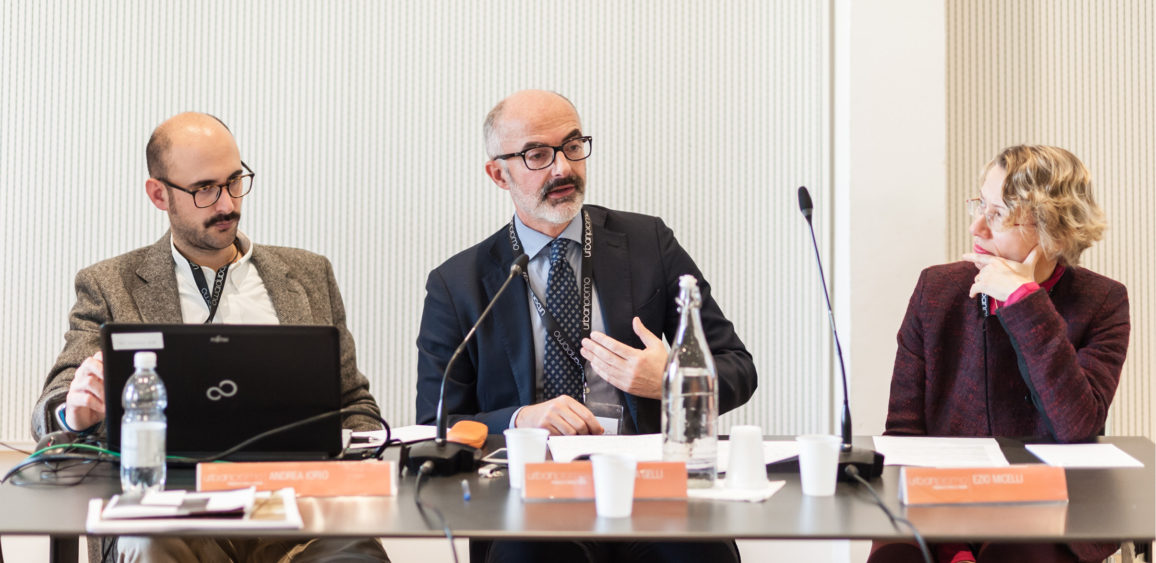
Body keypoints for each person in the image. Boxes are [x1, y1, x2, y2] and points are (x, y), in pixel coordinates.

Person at [30, 112, 390, 563]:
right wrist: (74, 412)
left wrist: (362, 458)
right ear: (159, 194)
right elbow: (54, 407)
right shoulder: (110, 285)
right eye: (204, 189)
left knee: (356, 553)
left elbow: (353, 402)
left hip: (297, 514)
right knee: (146, 544)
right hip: (171, 513)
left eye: (234, 181)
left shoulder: (308, 274)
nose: (227, 204)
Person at [415, 89, 757, 563]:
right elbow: (435, 426)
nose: (563, 168)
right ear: (498, 174)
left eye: (573, 146)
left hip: (648, 489)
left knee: (697, 554)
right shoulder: (458, 284)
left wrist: (670, 381)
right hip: (529, 498)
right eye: (538, 155)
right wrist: (520, 420)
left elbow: (738, 367)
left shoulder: (648, 243)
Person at [876, 145, 1129, 563]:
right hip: (938, 500)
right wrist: (949, 537)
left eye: (998, 215)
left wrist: (1023, 301)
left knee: (1014, 553)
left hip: (1050, 506)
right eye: (980, 205)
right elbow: (903, 435)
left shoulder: (1102, 301)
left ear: (1053, 231)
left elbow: (1077, 427)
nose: (976, 226)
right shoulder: (936, 290)